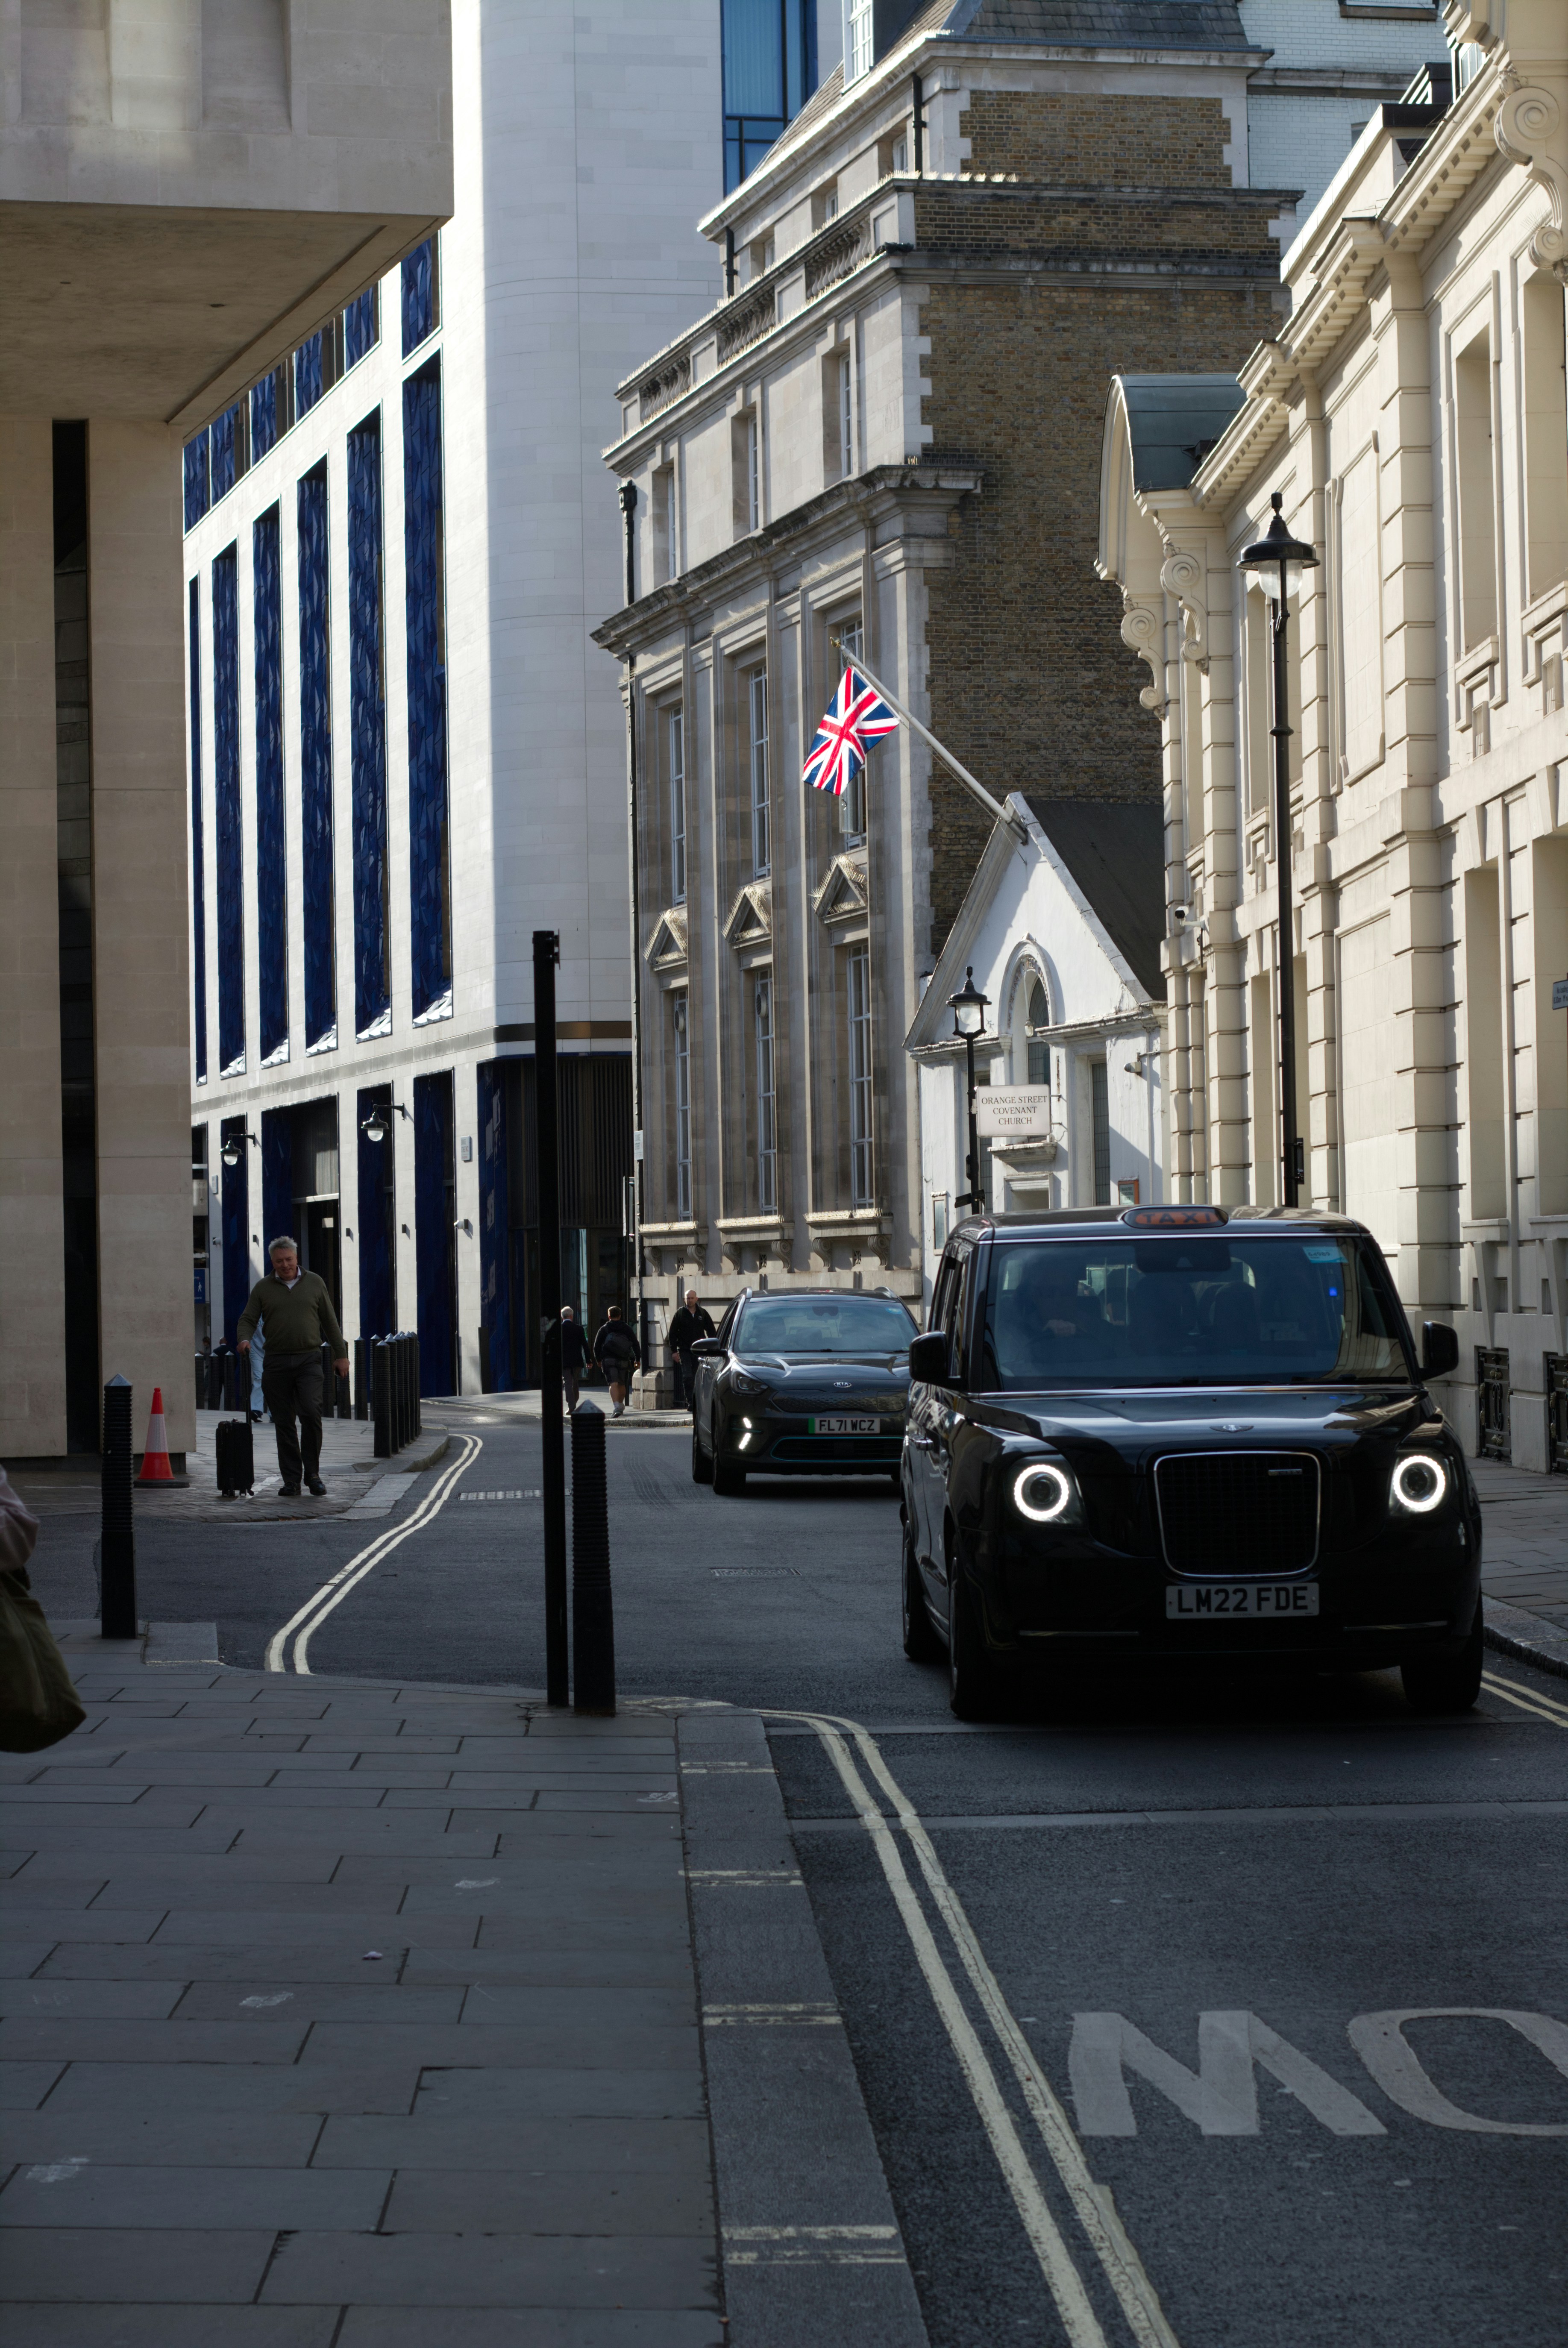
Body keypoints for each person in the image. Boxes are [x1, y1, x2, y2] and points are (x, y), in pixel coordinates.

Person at [236, 1237, 349, 1498]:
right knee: (284, 1422)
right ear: (273, 1262)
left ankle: (313, 1474)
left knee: (311, 1412)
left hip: (309, 1359)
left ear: (296, 1258)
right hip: (275, 1362)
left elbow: (330, 1322)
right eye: (279, 1261)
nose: (285, 1265)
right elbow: (248, 1319)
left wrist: (341, 1355)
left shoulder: (315, 1282)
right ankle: (292, 1481)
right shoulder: (263, 1288)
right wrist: (244, 1340)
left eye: (289, 1259)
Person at [666, 1286, 716, 1415]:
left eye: (692, 1298)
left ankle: (699, 1400)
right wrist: (674, 1351)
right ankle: (690, 1402)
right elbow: (673, 1333)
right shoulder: (680, 1313)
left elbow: (711, 1331)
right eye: (688, 1298)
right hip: (684, 1350)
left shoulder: (702, 1313)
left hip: (700, 1350)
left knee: (699, 1377)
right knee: (687, 1376)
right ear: (685, 1299)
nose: (690, 1300)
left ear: (697, 1299)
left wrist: (714, 1348)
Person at [591, 1304, 642, 1418]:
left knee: (613, 1383)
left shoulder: (604, 1329)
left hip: (608, 1360)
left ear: (609, 1316)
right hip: (623, 1360)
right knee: (622, 1383)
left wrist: (598, 1360)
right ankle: (620, 1405)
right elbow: (635, 1344)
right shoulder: (627, 1328)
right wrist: (637, 1359)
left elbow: (597, 1346)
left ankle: (616, 1406)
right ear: (620, 1316)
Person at [559, 1306, 587, 1413]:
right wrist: (589, 1360)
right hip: (577, 1361)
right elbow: (585, 1345)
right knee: (575, 1382)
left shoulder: (559, 1329)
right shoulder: (579, 1328)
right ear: (572, 1316)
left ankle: (571, 1405)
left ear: (563, 1317)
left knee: (567, 1382)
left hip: (564, 1361)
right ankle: (573, 1402)